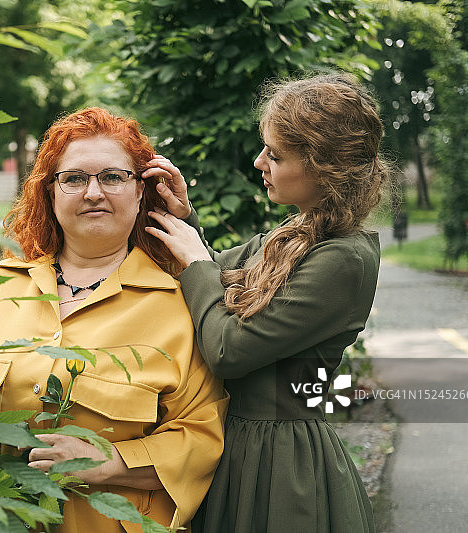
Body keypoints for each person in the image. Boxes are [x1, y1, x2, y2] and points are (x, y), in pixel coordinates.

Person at [0, 107, 227, 533]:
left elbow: (204, 441)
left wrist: (110, 463)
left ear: (141, 193)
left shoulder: (181, 309)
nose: (93, 193)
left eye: (113, 177)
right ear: (50, 192)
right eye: (74, 178)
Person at [143, 73, 386, 532]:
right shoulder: (294, 235)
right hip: (237, 444)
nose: (259, 162)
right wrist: (184, 217)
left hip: (280, 464)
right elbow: (216, 275)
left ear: (324, 166)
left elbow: (228, 349)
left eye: (275, 155)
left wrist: (196, 259)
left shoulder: (344, 258)